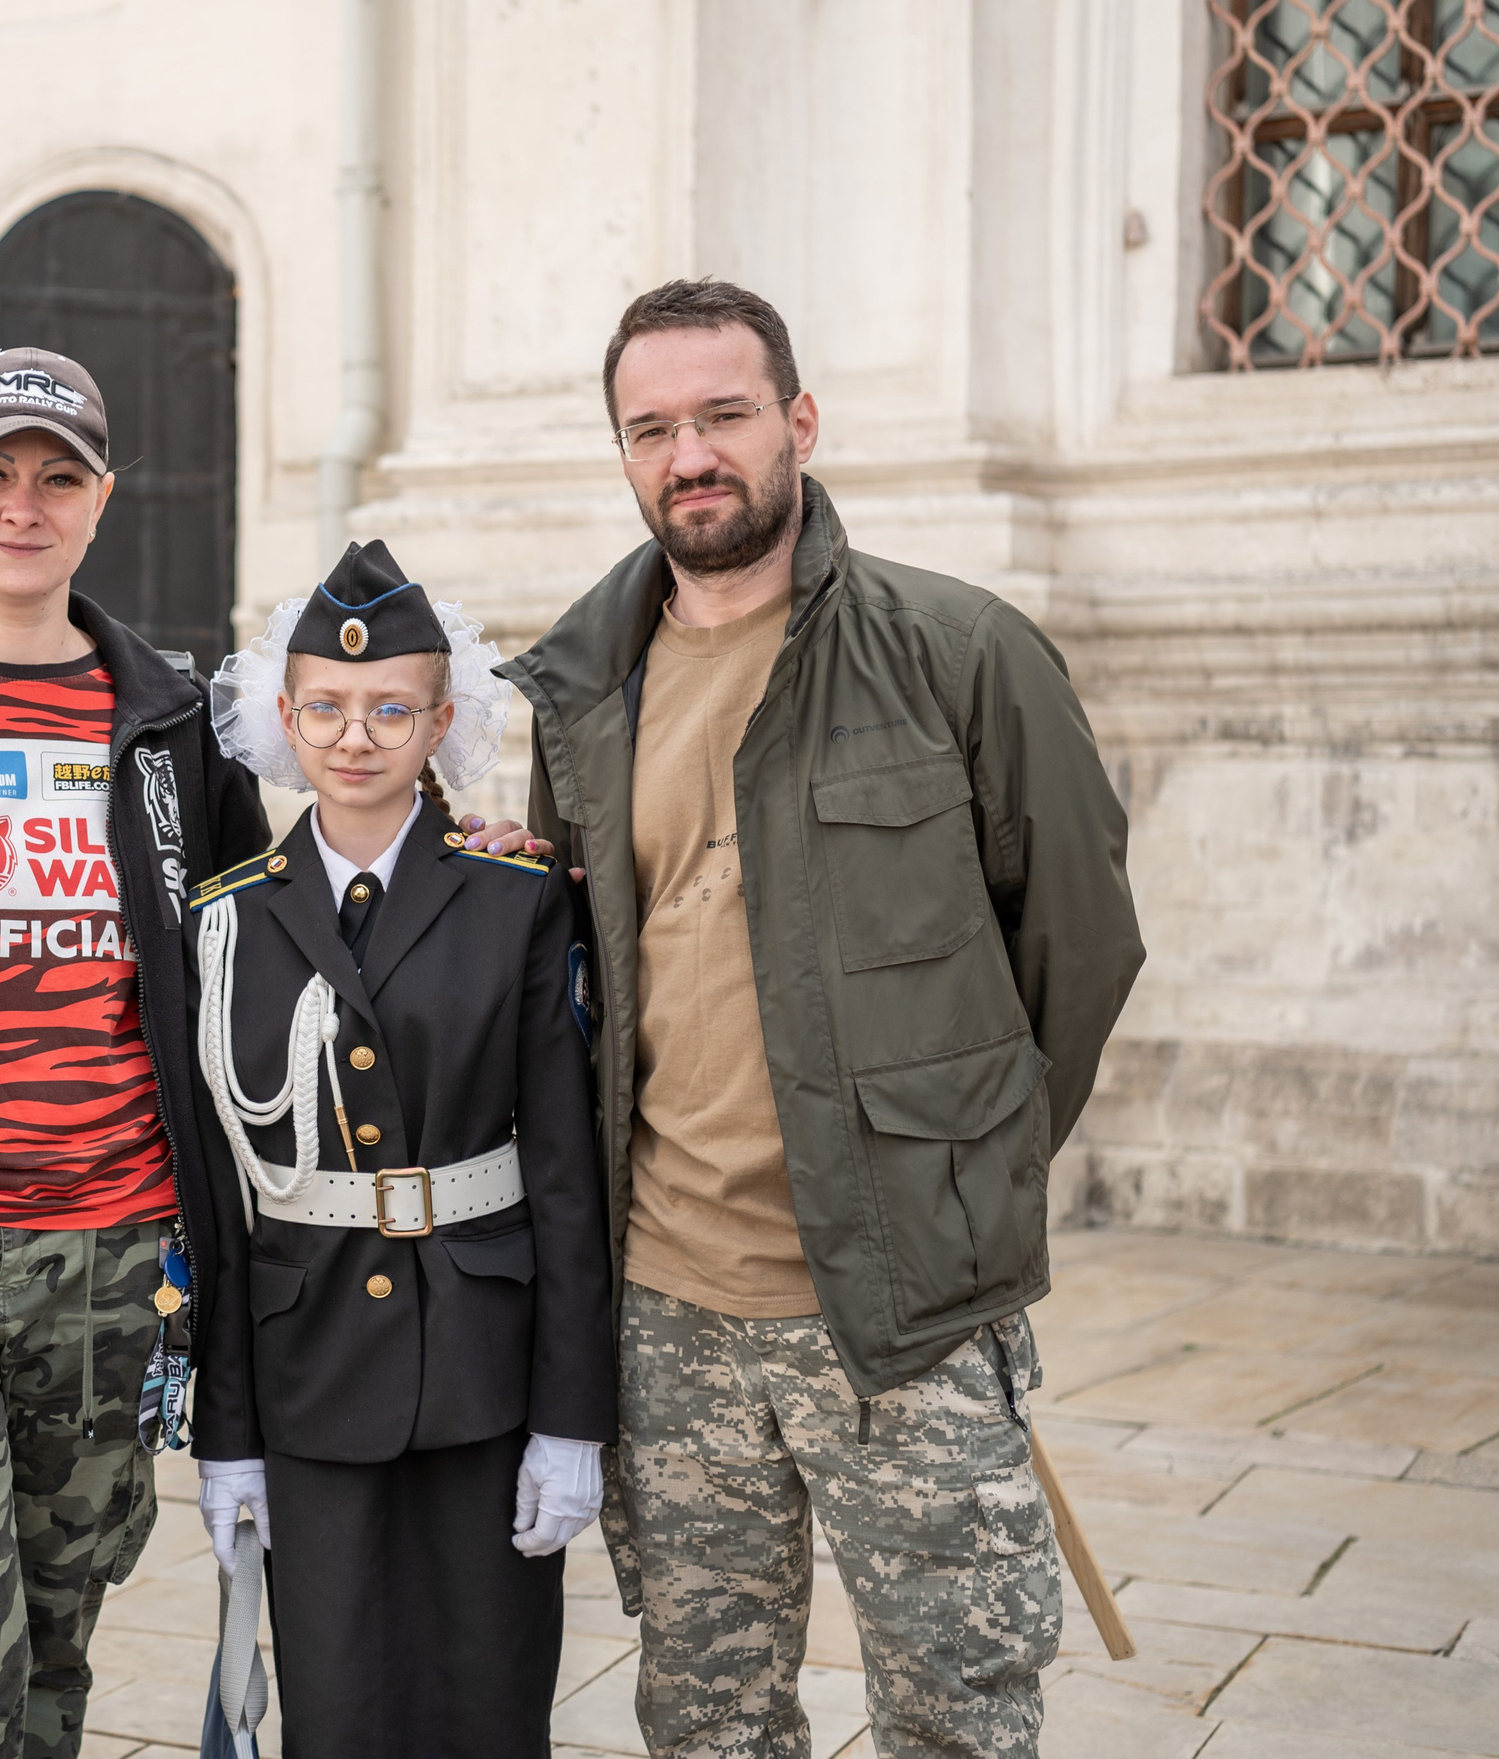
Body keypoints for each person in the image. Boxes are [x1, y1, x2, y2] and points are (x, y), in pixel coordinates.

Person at [0, 345, 554, 1757]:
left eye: (57, 477)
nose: (20, 505)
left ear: (102, 501)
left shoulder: (166, 725)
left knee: (49, 1661)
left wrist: (464, 858)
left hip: (118, 1269)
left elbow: (287, 921)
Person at [500, 279, 1147, 1758]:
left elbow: (1080, 946)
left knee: (955, 1709)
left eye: (723, 414)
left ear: (798, 420)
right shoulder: (579, 691)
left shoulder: (960, 651)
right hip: (665, 1310)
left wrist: (954, 1174)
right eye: (652, 427)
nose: (691, 454)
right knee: (707, 1713)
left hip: (901, 1313)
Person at [185, 540, 617, 1759]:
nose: (354, 736)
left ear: (440, 722)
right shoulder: (224, 918)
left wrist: (570, 1419)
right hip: (305, 1372)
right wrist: (227, 1436)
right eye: (323, 706)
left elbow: (568, 1176)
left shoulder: (514, 898)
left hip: (482, 1366)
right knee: (336, 1706)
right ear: (282, 717)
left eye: (389, 709)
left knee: (488, 1699)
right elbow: (221, 1205)